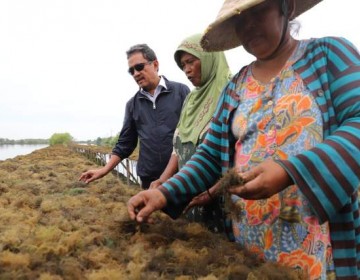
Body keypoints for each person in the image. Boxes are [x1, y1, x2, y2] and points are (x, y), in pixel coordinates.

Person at [127, 0, 360, 279]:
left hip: (315, 247)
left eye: (258, 12)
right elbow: (210, 155)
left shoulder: (328, 56)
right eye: (240, 20)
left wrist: (290, 171)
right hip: (249, 249)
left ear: (286, 7)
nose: (249, 26)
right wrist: (164, 193)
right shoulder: (236, 86)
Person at [149, 33, 232, 234]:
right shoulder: (191, 100)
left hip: (223, 199)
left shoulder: (231, 92)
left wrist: (212, 192)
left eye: (190, 62)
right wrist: (163, 180)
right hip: (191, 193)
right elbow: (179, 149)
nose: (186, 70)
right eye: (182, 65)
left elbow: (239, 159)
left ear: (208, 57)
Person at [79, 44, 189, 189]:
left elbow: (192, 134)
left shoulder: (181, 92)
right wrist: (104, 170)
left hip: (181, 176)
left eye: (139, 67)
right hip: (149, 181)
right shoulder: (132, 105)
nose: (135, 73)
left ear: (155, 64)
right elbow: (125, 144)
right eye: (131, 71)